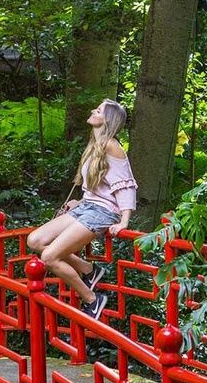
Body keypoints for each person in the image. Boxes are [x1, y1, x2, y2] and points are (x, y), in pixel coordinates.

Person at [27, 99, 137, 320]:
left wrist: (124, 220)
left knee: (49, 257)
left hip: (103, 212)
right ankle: (89, 269)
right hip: (87, 206)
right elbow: (97, 188)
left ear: (107, 120)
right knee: (35, 240)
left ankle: (93, 300)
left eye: (97, 111)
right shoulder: (93, 145)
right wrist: (79, 202)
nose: (92, 110)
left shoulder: (112, 146)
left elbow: (125, 184)